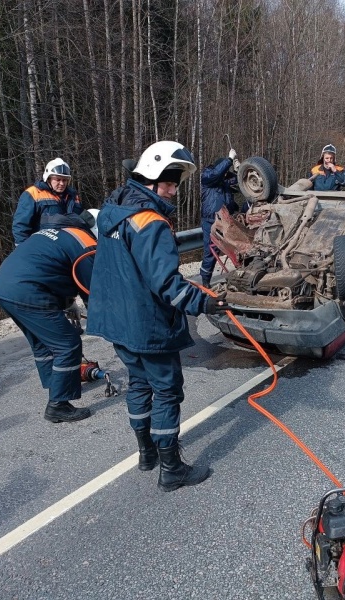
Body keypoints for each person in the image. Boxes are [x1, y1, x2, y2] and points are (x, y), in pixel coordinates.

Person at [86, 141, 229, 492]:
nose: (175, 189)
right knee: (166, 390)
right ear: (153, 178)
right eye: (172, 180)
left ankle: (146, 453)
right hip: (145, 322)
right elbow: (166, 283)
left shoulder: (112, 210)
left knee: (139, 383)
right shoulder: (150, 222)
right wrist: (204, 303)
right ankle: (172, 468)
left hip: (114, 320)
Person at [0, 209, 99, 423]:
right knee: (67, 344)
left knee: (42, 343)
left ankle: (56, 385)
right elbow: (92, 289)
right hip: (30, 292)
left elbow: (52, 269)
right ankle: (58, 405)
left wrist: (69, 304)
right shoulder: (86, 240)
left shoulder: (54, 230)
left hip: (3, 288)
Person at [12, 158, 83, 246]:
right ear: (48, 178)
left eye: (64, 180)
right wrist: (22, 248)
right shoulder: (33, 194)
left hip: (69, 247)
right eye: (58, 179)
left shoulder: (73, 196)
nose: (62, 183)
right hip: (42, 247)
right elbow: (21, 225)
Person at [199, 151, 240, 287]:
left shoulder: (225, 180)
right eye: (224, 170)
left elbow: (240, 180)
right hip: (210, 221)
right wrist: (229, 159)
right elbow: (216, 173)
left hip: (227, 220)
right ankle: (205, 280)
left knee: (239, 246)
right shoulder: (207, 177)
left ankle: (242, 275)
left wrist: (238, 169)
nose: (226, 174)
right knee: (211, 250)